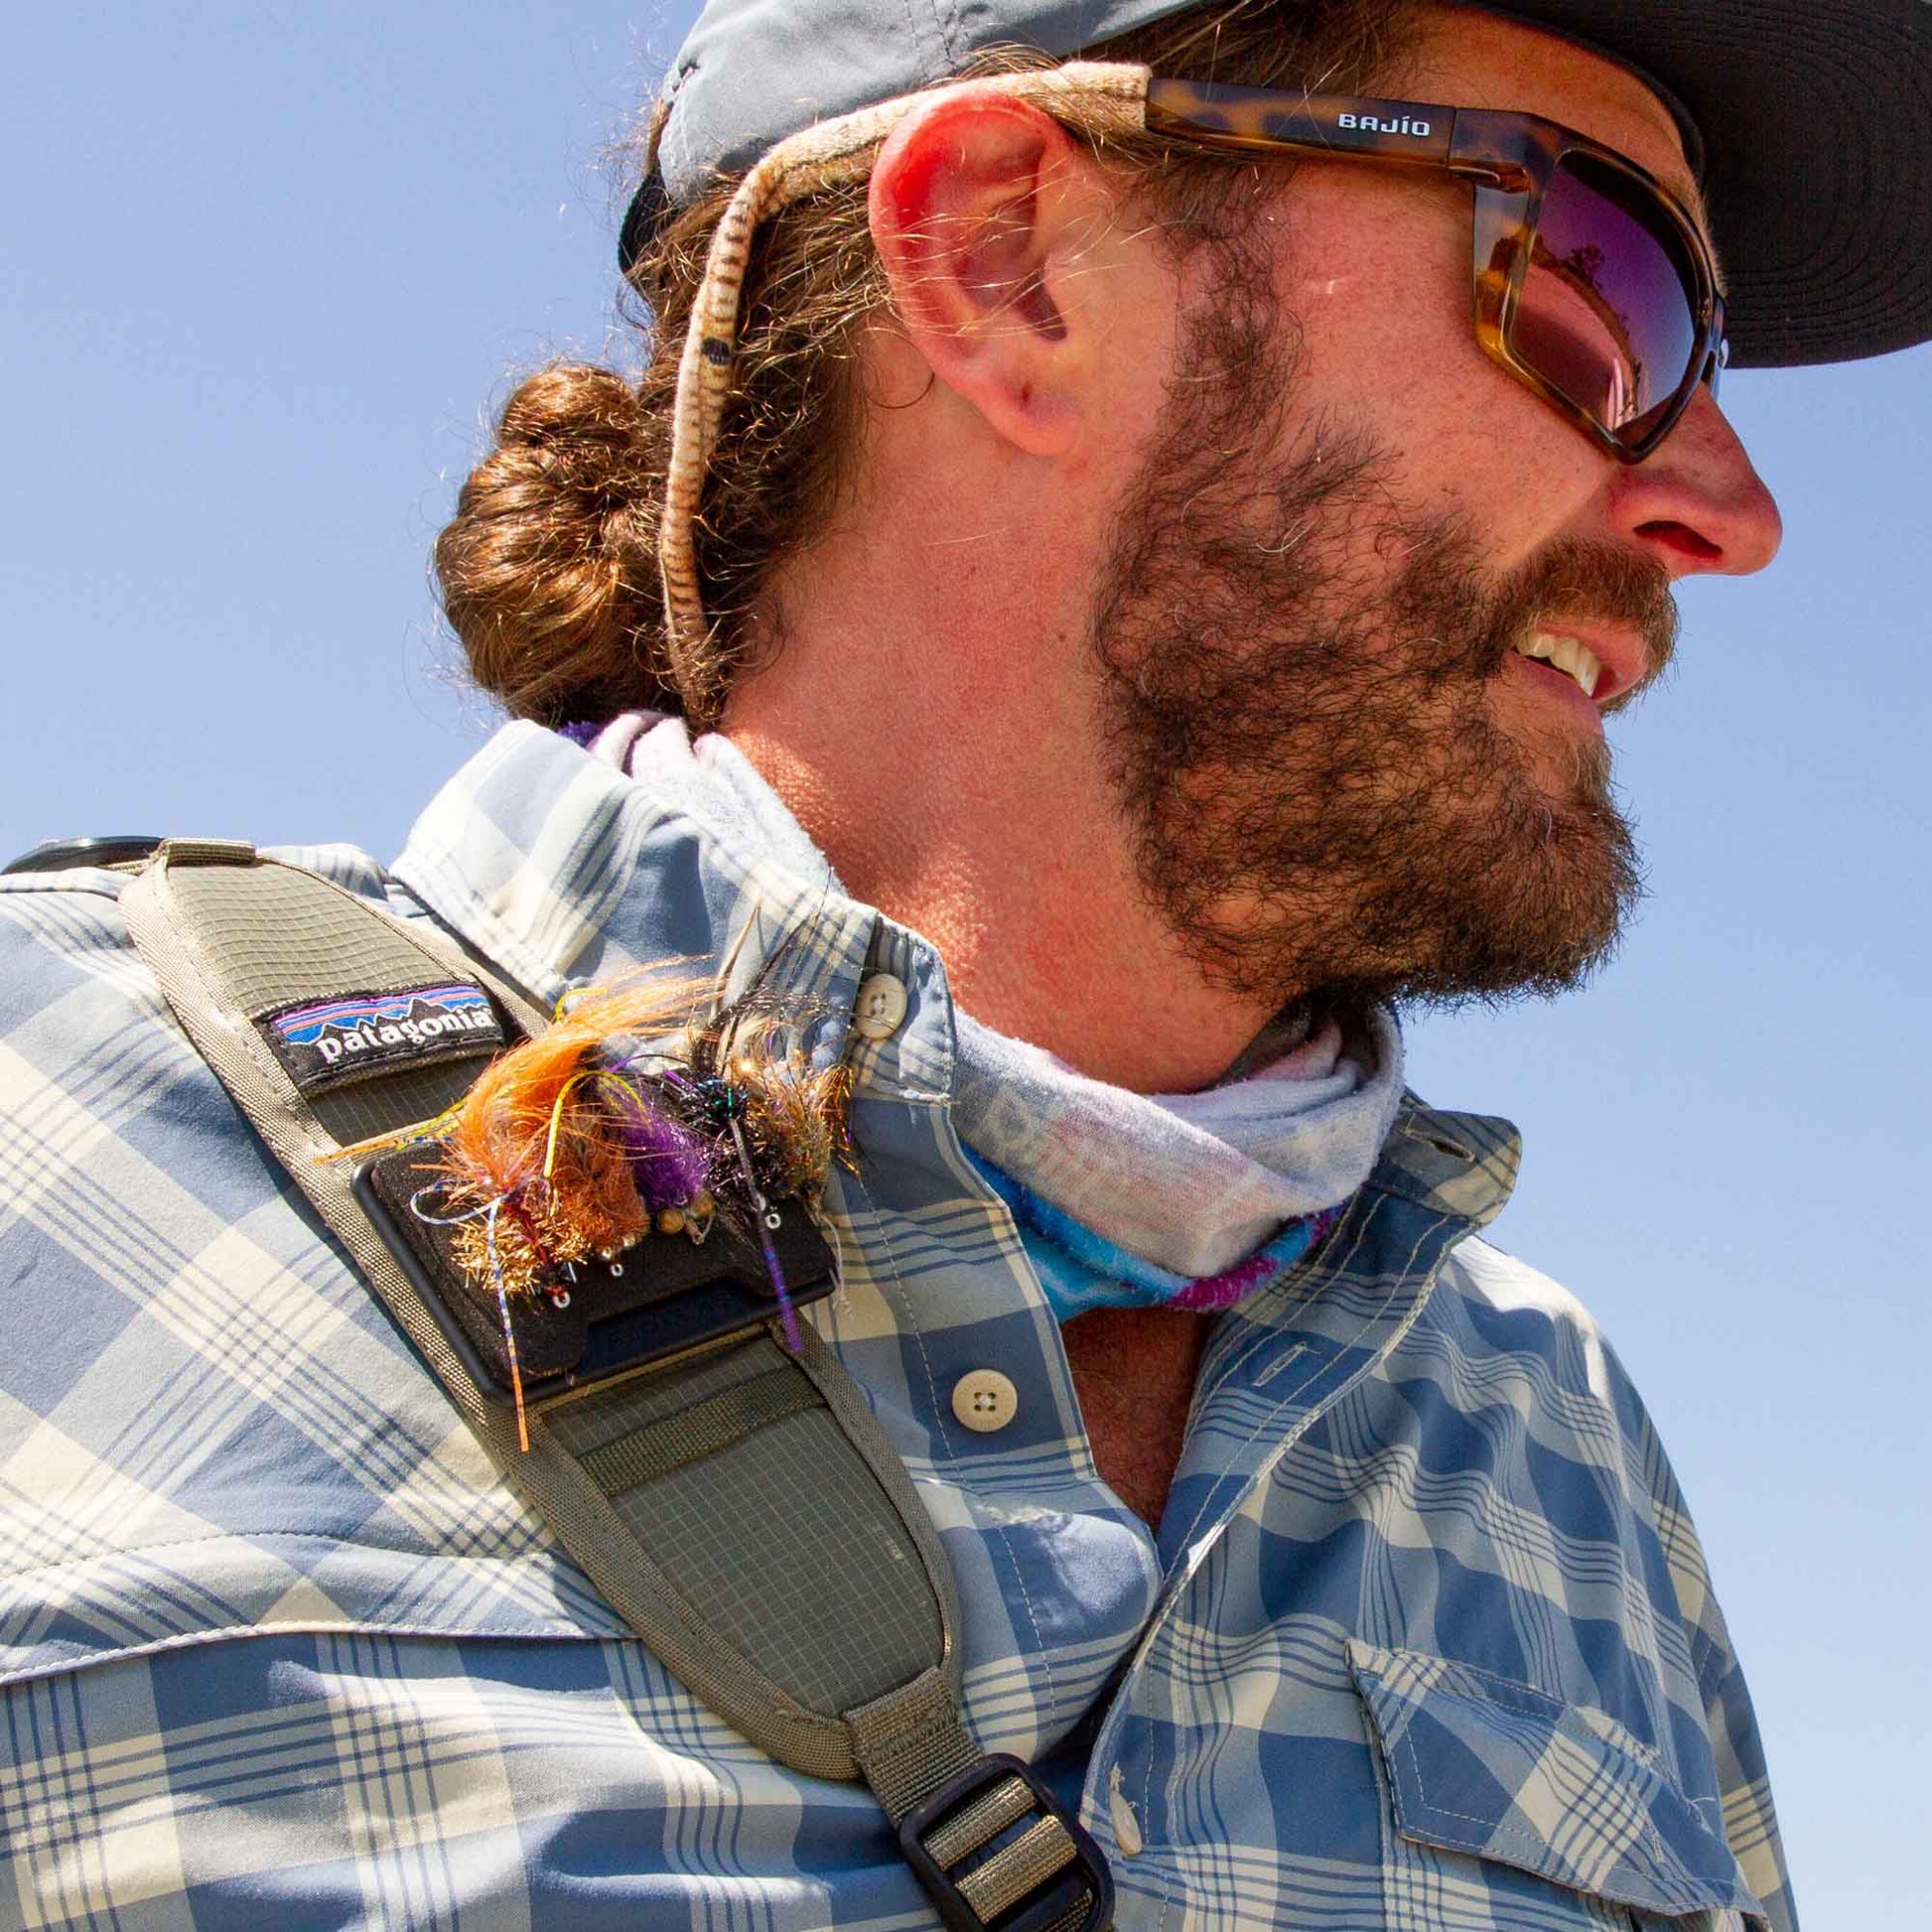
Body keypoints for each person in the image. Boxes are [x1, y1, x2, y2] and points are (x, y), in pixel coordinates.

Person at [2, 0, 1924, 1924]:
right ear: (1007, 266)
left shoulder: (1545, 1430)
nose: (1731, 516)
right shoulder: (48, 1124)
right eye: (1603, 289)